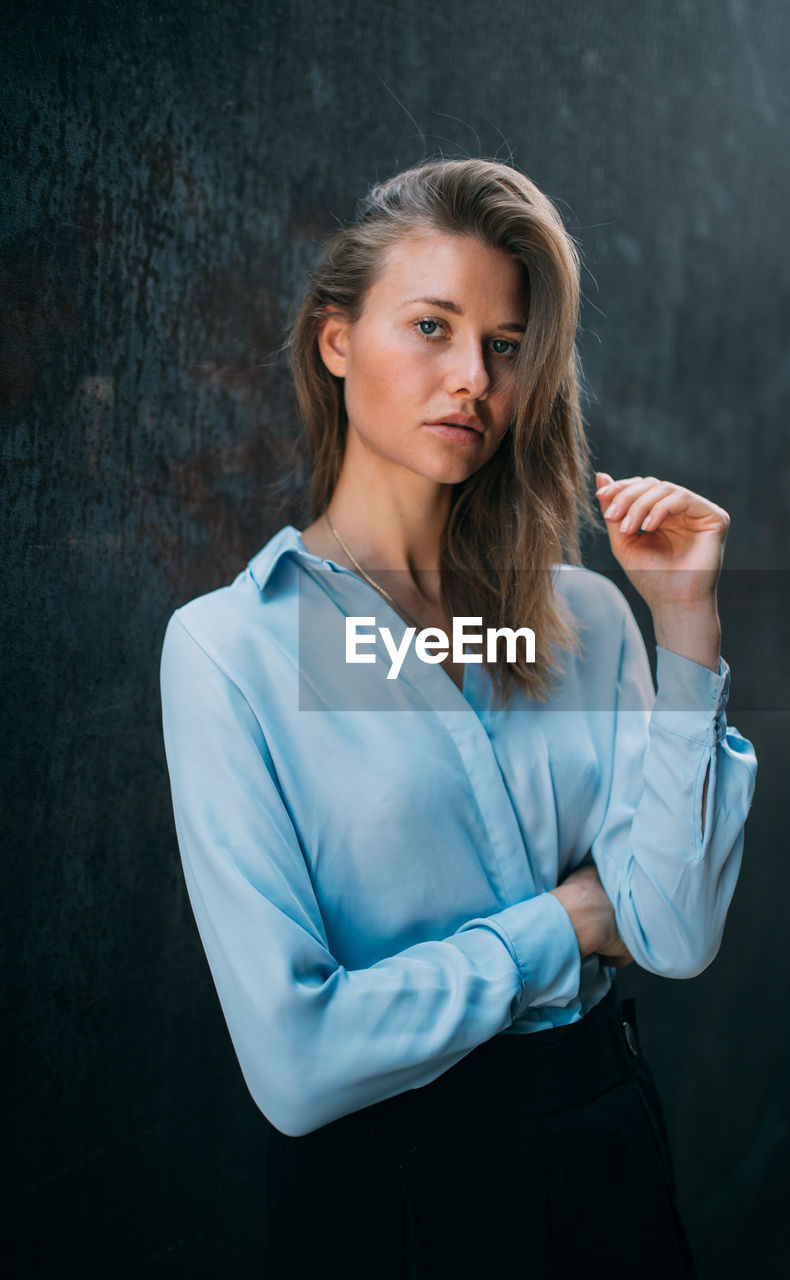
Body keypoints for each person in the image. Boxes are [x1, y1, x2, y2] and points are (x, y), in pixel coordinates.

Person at [160, 158, 757, 1278]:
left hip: (607, 1149)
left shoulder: (584, 616)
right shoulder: (229, 647)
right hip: (393, 1200)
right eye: (430, 325)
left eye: (504, 342)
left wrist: (684, 620)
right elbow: (299, 1063)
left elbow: (672, 932)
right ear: (336, 340)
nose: (471, 376)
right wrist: (567, 924)